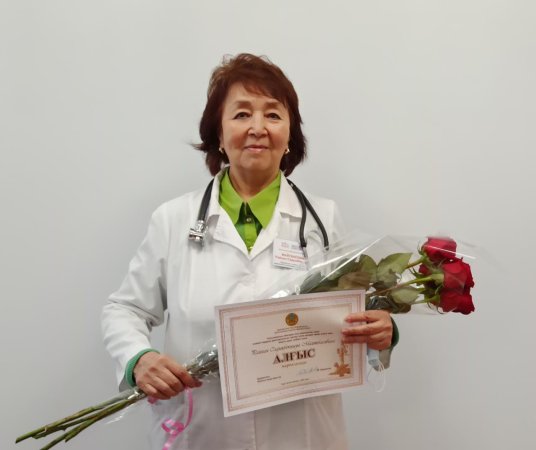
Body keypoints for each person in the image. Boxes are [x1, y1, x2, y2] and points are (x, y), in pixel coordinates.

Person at [102, 53, 394, 450]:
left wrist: (382, 331)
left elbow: (356, 315)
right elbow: (125, 309)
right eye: (241, 114)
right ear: (218, 135)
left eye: (273, 115)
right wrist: (139, 359)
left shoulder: (324, 218)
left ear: (290, 136)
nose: (258, 128)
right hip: (202, 431)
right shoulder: (172, 220)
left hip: (302, 433)